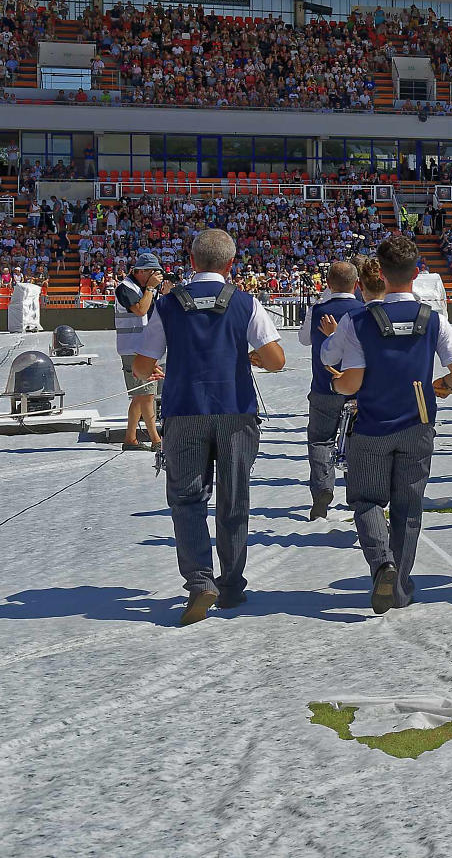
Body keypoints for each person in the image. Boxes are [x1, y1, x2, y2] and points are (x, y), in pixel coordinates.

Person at [132, 229, 286, 625]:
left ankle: (200, 581)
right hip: (235, 411)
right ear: (231, 264)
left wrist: (161, 367)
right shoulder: (245, 303)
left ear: (192, 259)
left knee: (186, 501)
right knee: (234, 499)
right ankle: (232, 584)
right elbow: (276, 360)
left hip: (184, 412)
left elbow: (141, 366)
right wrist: (247, 354)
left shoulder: (167, 305)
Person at [325, 234, 452, 615]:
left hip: (372, 423)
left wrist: (336, 382)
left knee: (366, 500)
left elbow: (346, 374)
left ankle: (382, 565)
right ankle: (400, 585)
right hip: (418, 420)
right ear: (417, 272)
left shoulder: (358, 320)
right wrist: (443, 385)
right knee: (408, 506)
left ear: (381, 275)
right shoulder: (434, 320)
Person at [297, 259, 362, 519]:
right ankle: (356, 492)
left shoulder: (318, 309)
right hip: (356, 387)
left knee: (320, 438)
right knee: (357, 440)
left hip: (324, 386)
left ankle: (323, 488)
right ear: (356, 284)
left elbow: (303, 339)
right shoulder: (364, 310)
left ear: (328, 284)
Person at [115, 250, 169, 452]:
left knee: (142, 396)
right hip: (133, 349)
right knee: (146, 395)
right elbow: (140, 310)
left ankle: (131, 439)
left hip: (143, 349)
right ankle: (156, 440)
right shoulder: (125, 288)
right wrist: (150, 290)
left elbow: (154, 313)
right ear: (142, 272)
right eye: (153, 273)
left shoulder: (142, 288)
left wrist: (161, 293)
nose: (156, 277)